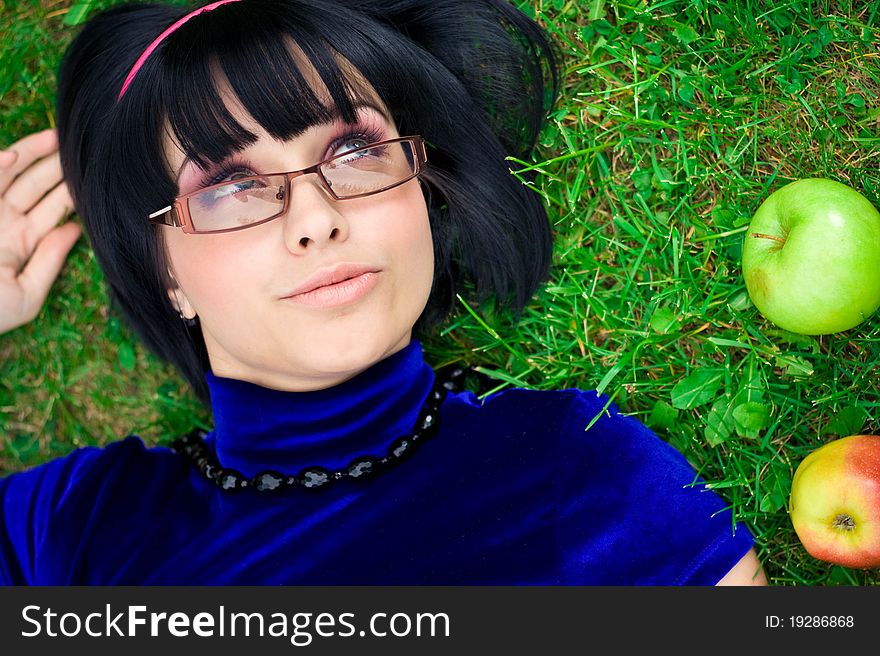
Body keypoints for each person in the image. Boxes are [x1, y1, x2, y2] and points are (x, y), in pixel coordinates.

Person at [0, 0, 766, 585]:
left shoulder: (588, 475)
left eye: (353, 151)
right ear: (167, 274)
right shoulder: (72, 526)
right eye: (232, 185)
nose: (315, 218)